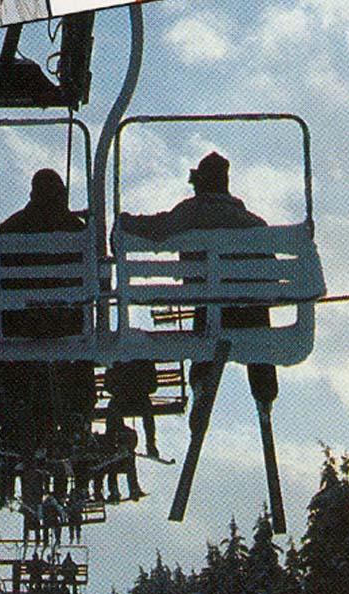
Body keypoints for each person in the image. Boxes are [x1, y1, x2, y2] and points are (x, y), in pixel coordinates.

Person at [119, 152, 278, 424]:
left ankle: (202, 381)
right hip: (251, 316)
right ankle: (264, 393)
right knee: (254, 311)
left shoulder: (191, 212)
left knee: (209, 306)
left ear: (201, 183)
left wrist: (123, 221)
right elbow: (271, 277)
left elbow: (156, 229)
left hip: (211, 317)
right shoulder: (253, 222)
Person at [0, 169, 96, 484]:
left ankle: (20, 420)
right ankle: (78, 413)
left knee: (22, 365)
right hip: (65, 324)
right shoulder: (77, 229)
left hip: (22, 324)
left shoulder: (11, 228)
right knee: (76, 352)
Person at [104, 360, 159, 458]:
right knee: (113, 409)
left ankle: (151, 444)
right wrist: (117, 390)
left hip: (139, 398)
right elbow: (108, 385)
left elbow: (153, 386)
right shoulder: (117, 360)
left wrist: (140, 389)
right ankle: (109, 444)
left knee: (146, 409)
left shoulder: (144, 361)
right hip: (123, 398)